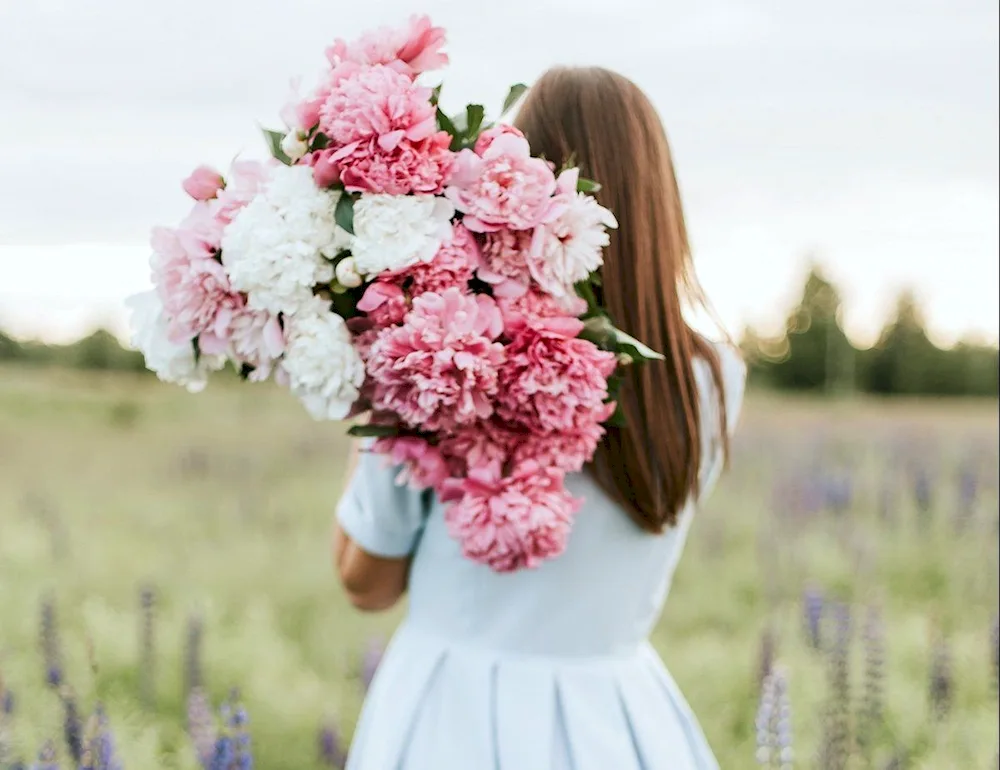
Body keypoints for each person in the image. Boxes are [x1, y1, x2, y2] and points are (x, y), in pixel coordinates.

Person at [332, 66, 746, 770]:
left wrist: (370, 371)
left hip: (449, 720)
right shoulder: (713, 378)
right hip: (619, 722)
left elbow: (364, 581)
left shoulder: (451, 351)